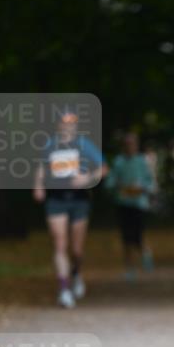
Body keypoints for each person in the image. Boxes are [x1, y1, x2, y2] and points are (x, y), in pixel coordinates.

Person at [33, 112, 105, 308]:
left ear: (76, 126)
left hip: (79, 200)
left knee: (76, 249)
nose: (68, 126)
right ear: (58, 125)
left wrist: (87, 178)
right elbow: (41, 167)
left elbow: (102, 168)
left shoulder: (84, 145)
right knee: (59, 244)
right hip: (56, 199)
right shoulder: (50, 145)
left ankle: (76, 273)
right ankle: (64, 289)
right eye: (64, 123)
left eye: (72, 123)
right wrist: (38, 185)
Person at [105, 132, 156, 279]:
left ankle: (145, 252)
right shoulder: (118, 161)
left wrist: (143, 188)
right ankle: (129, 267)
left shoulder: (142, 161)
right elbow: (110, 181)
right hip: (123, 203)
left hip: (139, 204)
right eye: (127, 144)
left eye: (132, 144)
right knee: (126, 237)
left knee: (138, 234)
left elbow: (150, 182)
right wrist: (118, 185)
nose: (130, 147)